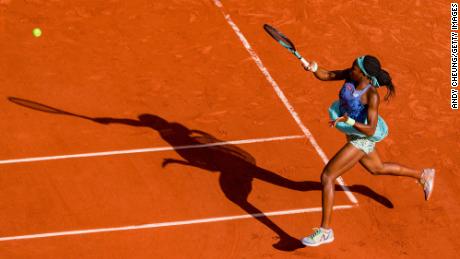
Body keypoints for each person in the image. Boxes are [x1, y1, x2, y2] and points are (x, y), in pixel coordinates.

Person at [300, 55, 435, 247]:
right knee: (377, 168)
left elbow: (371, 129)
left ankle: (325, 231)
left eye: (355, 67)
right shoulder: (351, 75)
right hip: (352, 131)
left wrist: (348, 121)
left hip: (362, 136)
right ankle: (422, 175)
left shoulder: (371, 95)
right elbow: (328, 74)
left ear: (364, 74)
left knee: (327, 176)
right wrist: (313, 68)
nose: (351, 68)